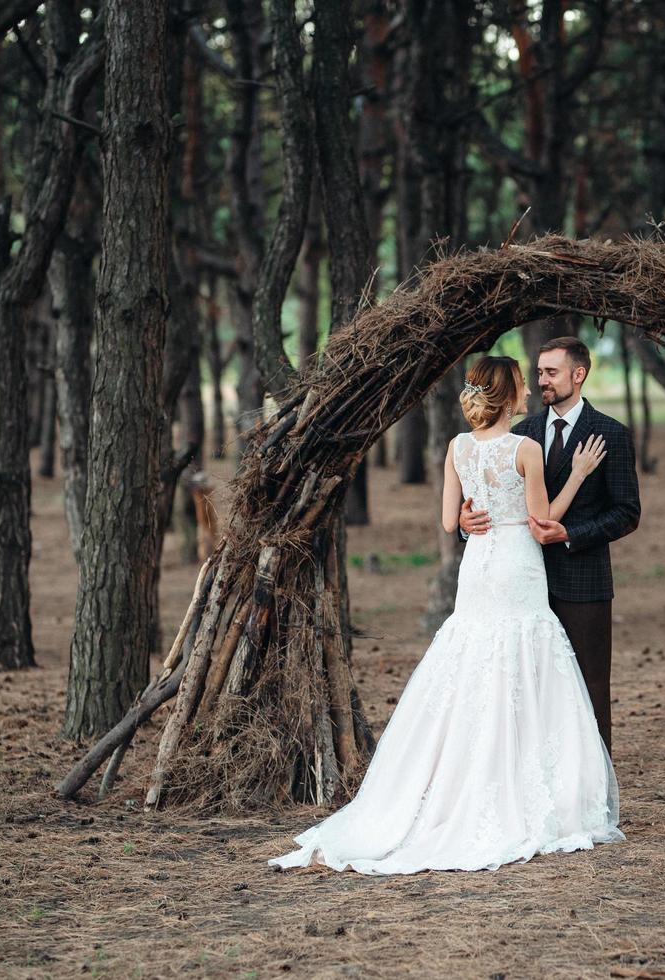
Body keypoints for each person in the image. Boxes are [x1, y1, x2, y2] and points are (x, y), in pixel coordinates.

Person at [267, 355, 624, 875]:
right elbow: (541, 521)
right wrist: (580, 474)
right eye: (523, 383)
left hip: (478, 567)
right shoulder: (525, 449)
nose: (529, 391)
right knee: (521, 658)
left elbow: (445, 519)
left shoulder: (457, 447)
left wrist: (463, 518)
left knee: (473, 659)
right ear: (508, 393)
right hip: (518, 567)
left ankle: (456, 777)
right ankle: (521, 784)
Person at [459, 337, 641, 757]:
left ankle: (593, 788)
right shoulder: (518, 432)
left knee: (589, 683)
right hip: (520, 580)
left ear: (578, 375)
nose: (541, 380)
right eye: (538, 372)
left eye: (551, 372)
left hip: (582, 580)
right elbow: (484, 506)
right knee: (526, 685)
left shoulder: (611, 433)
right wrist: (466, 526)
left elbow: (627, 512)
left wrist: (573, 534)